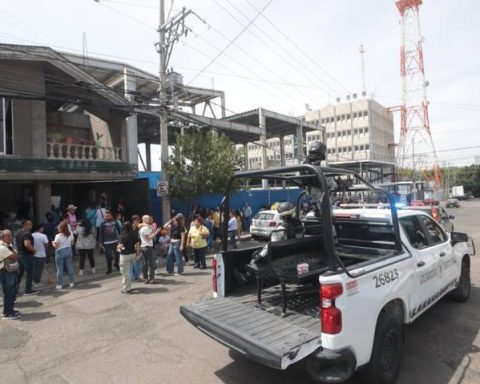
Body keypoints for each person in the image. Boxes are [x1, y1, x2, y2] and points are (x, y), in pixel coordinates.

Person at [0, 230, 20, 319]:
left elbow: (15, 254)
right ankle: (7, 313)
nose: (10, 237)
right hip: (6, 272)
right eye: (8, 236)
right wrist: (15, 253)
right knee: (8, 292)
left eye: (11, 235)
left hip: (11, 270)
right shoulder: (2, 247)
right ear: (2, 237)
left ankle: (10, 309)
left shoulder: (9, 245)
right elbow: (15, 256)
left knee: (12, 291)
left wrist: (15, 253)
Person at [15, 220, 39, 295]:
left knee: (19, 273)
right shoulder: (27, 234)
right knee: (29, 273)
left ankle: (15, 289)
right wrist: (34, 250)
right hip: (27, 255)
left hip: (20, 255)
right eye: (30, 224)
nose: (31, 226)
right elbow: (27, 244)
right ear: (25, 225)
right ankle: (28, 290)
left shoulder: (18, 232)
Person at [117, 221, 139, 294]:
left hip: (125, 255)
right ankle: (128, 286)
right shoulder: (134, 234)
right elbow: (137, 244)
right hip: (132, 254)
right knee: (128, 271)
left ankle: (126, 288)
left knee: (124, 272)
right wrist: (137, 253)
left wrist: (118, 249)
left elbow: (120, 246)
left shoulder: (122, 235)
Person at [139, 215, 161, 284]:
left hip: (143, 246)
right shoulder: (145, 228)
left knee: (145, 263)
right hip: (147, 247)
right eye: (148, 219)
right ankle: (151, 279)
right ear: (144, 220)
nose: (150, 220)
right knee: (151, 264)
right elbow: (149, 238)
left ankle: (145, 278)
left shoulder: (142, 228)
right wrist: (156, 232)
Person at [52, 222, 75, 289]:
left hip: (60, 252)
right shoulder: (70, 234)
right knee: (70, 267)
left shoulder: (58, 236)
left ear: (61, 228)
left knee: (60, 269)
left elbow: (56, 246)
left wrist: (53, 243)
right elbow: (72, 243)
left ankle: (59, 284)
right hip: (68, 250)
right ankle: (71, 282)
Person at [99, 210, 121, 275]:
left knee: (117, 254)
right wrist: (100, 242)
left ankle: (116, 264)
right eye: (105, 216)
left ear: (111, 216)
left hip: (115, 241)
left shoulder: (115, 222)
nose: (106, 217)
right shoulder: (102, 224)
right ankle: (109, 268)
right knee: (108, 256)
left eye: (108, 216)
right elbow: (101, 233)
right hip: (106, 243)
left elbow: (119, 230)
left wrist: (121, 239)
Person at [32, 223, 49, 287]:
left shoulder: (31, 235)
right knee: (39, 269)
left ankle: (33, 281)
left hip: (33, 254)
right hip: (41, 254)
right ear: (40, 228)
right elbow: (46, 245)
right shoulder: (43, 236)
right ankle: (37, 282)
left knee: (34, 269)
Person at [130, 215, 142, 281]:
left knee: (137, 262)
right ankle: (132, 276)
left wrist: (139, 247)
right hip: (131, 247)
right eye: (137, 220)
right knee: (131, 263)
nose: (138, 221)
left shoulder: (138, 228)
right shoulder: (130, 228)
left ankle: (137, 275)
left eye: (139, 220)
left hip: (137, 246)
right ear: (133, 220)